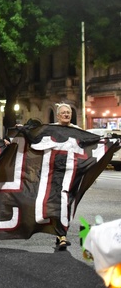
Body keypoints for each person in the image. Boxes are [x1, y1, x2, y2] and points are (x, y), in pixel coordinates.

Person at [51, 103, 79, 250]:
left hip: (73, 172)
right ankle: (62, 235)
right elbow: (35, 138)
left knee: (67, 203)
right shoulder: (51, 130)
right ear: (58, 115)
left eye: (68, 112)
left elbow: (93, 144)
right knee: (60, 202)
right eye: (63, 112)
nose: (67, 114)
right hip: (57, 172)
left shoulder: (78, 131)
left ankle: (61, 233)